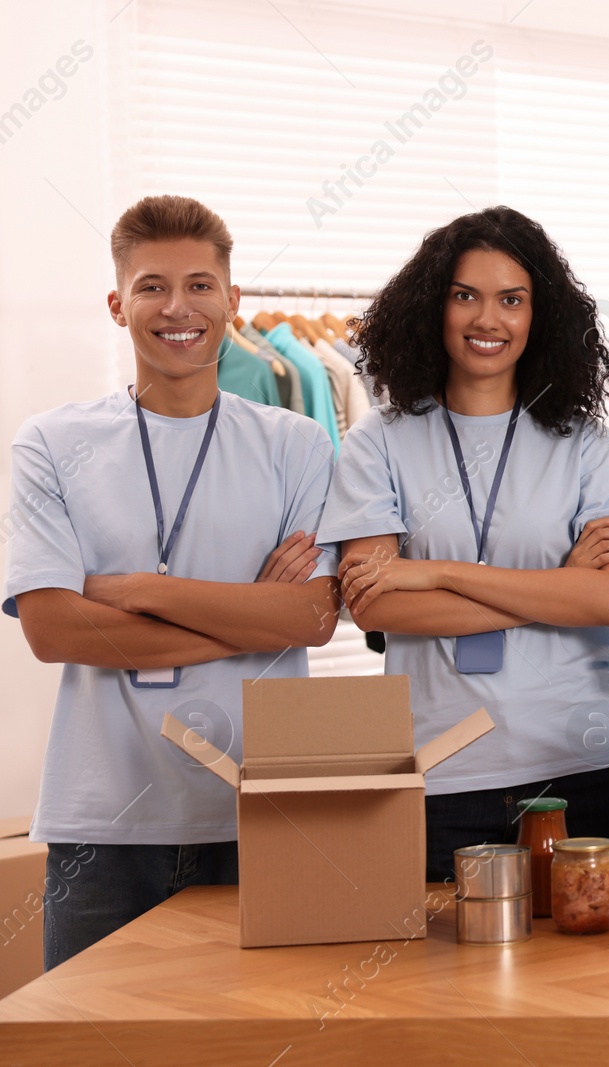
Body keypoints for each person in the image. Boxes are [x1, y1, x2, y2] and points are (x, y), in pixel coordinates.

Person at [3, 195, 339, 968]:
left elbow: (316, 616)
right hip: (102, 826)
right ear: (119, 304)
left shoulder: (297, 443)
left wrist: (141, 591)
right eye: (152, 286)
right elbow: (53, 631)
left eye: (199, 285)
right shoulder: (52, 442)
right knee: (90, 1050)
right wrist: (256, 611)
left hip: (259, 813)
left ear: (232, 300)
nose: (177, 307)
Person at [320, 207, 609, 880]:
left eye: (511, 299)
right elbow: (377, 604)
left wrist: (429, 572)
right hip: (441, 776)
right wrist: (556, 589)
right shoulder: (379, 439)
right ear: (432, 306)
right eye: (465, 295)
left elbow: (607, 597)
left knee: (593, 986)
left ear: (539, 314)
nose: (487, 319)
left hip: (580, 768)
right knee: (448, 987)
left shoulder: (584, 441)